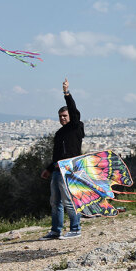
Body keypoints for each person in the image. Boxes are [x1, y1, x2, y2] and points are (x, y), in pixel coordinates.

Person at [39, 78, 85, 240]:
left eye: (65, 115)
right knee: (55, 202)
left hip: (70, 170)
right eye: (60, 116)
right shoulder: (59, 134)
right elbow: (57, 155)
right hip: (58, 171)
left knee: (70, 200)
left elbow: (74, 111)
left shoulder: (76, 127)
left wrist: (66, 93)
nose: (63, 118)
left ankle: (75, 228)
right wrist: (49, 169)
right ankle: (55, 230)